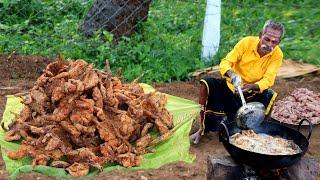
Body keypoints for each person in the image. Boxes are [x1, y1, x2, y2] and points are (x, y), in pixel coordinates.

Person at [190, 20, 285, 144]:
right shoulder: (246, 43)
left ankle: (254, 131)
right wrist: (232, 74)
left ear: (279, 42)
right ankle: (203, 129)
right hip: (231, 86)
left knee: (269, 95)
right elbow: (225, 62)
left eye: (274, 42)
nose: (269, 44)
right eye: (267, 39)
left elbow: (268, 79)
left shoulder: (277, 55)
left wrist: (253, 86)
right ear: (261, 34)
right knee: (207, 84)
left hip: (251, 91)